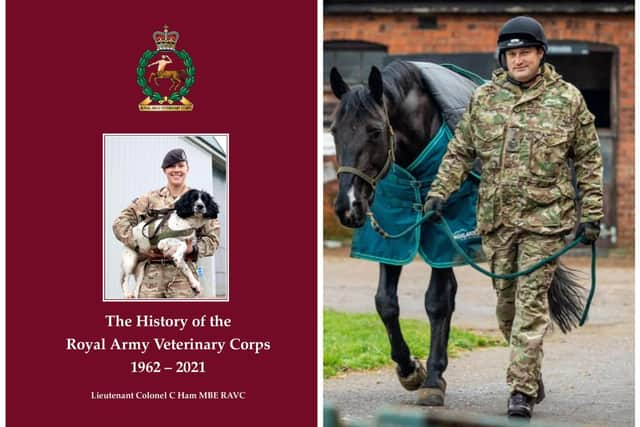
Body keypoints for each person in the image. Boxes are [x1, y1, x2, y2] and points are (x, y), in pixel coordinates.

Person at [423, 16, 603, 418]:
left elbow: (588, 160)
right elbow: (460, 152)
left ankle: (520, 390)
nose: (518, 60)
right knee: (506, 309)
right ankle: (530, 369)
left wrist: (591, 213)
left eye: (525, 52)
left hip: (546, 221)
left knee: (530, 304)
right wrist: (439, 193)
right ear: (503, 57)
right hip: (498, 222)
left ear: (541, 54)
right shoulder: (485, 98)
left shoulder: (567, 100)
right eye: (511, 54)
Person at [113, 148, 220, 298]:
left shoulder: (201, 201)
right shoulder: (149, 199)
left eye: (181, 166)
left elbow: (213, 239)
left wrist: (193, 249)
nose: (176, 170)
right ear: (164, 170)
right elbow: (120, 223)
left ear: (187, 169)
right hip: (151, 277)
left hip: (183, 279)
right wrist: (139, 245)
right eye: (171, 166)